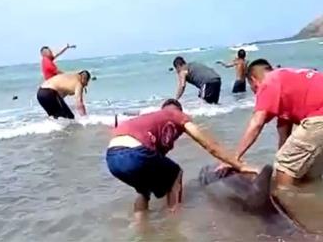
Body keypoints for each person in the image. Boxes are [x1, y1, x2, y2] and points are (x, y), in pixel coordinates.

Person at [106, 99, 256, 223]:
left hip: (112, 158)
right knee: (176, 173)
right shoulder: (175, 114)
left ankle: (139, 228)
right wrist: (240, 166)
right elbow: (210, 146)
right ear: (180, 111)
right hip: (136, 153)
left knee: (144, 192)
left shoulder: (150, 120)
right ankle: (174, 223)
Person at [235, 59, 323, 190]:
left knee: (284, 168)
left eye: (252, 87)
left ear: (254, 80)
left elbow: (256, 123)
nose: (255, 92)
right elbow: (284, 139)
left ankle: (289, 205)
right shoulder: (286, 83)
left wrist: (234, 158)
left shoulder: (268, 82)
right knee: (306, 173)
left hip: (318, 117)